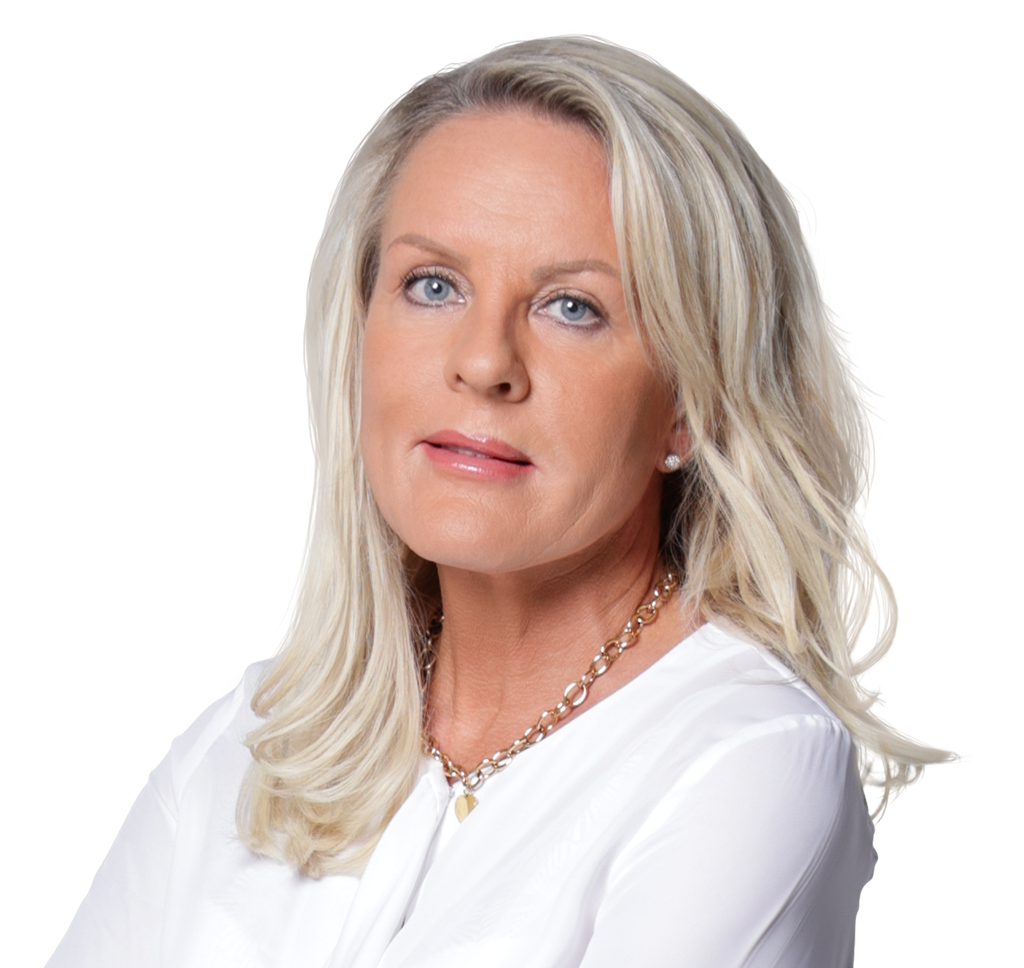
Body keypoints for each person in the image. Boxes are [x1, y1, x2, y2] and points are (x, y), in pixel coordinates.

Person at [46, 33, 966, 967]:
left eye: (573, 306)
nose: (484, 362)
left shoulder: (747, 762)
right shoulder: (249, 737)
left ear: (691, 407)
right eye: (432, 285)